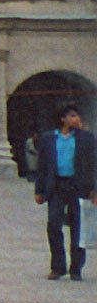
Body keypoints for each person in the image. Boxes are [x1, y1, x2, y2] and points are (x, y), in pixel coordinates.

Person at [33, 103, 96, 281]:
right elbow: (42, 166)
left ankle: (76, 268)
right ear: (63, 119)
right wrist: (39, 190)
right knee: (53, 224)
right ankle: (58, 266)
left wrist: (94, 189)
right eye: (73, 116)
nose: (77, 119)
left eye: (78, 116)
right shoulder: (49, 139)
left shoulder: (87, 139)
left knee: (78, 228)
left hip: (78, 187)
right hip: (57, 187)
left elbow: (93, 164)